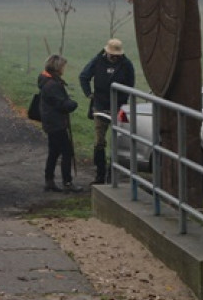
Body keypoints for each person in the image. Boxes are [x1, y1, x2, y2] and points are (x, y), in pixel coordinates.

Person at [78, 39, 136, 184]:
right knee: (99, 142)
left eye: (117, 55)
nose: (115, 58)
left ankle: (112, 174)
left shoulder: (127, 65)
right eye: (112, 55)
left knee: (117, 142)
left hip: (118, 107)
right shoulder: (97, 61)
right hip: (100, 106)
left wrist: (123, 100)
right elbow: (83, 76)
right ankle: (100, 174)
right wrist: (89, 94)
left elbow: (130, 84)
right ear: (107, 52)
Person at [40, 53, 82, 193]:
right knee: (67, 152)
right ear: (58, 68)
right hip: (56, 123)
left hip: (51, 122)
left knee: (54, 152)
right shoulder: (53, 85)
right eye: (63, 66)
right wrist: (72, 104)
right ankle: (67, 182)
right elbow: (61, 104)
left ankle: (49, 180)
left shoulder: (46, 81)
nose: (64, 69)